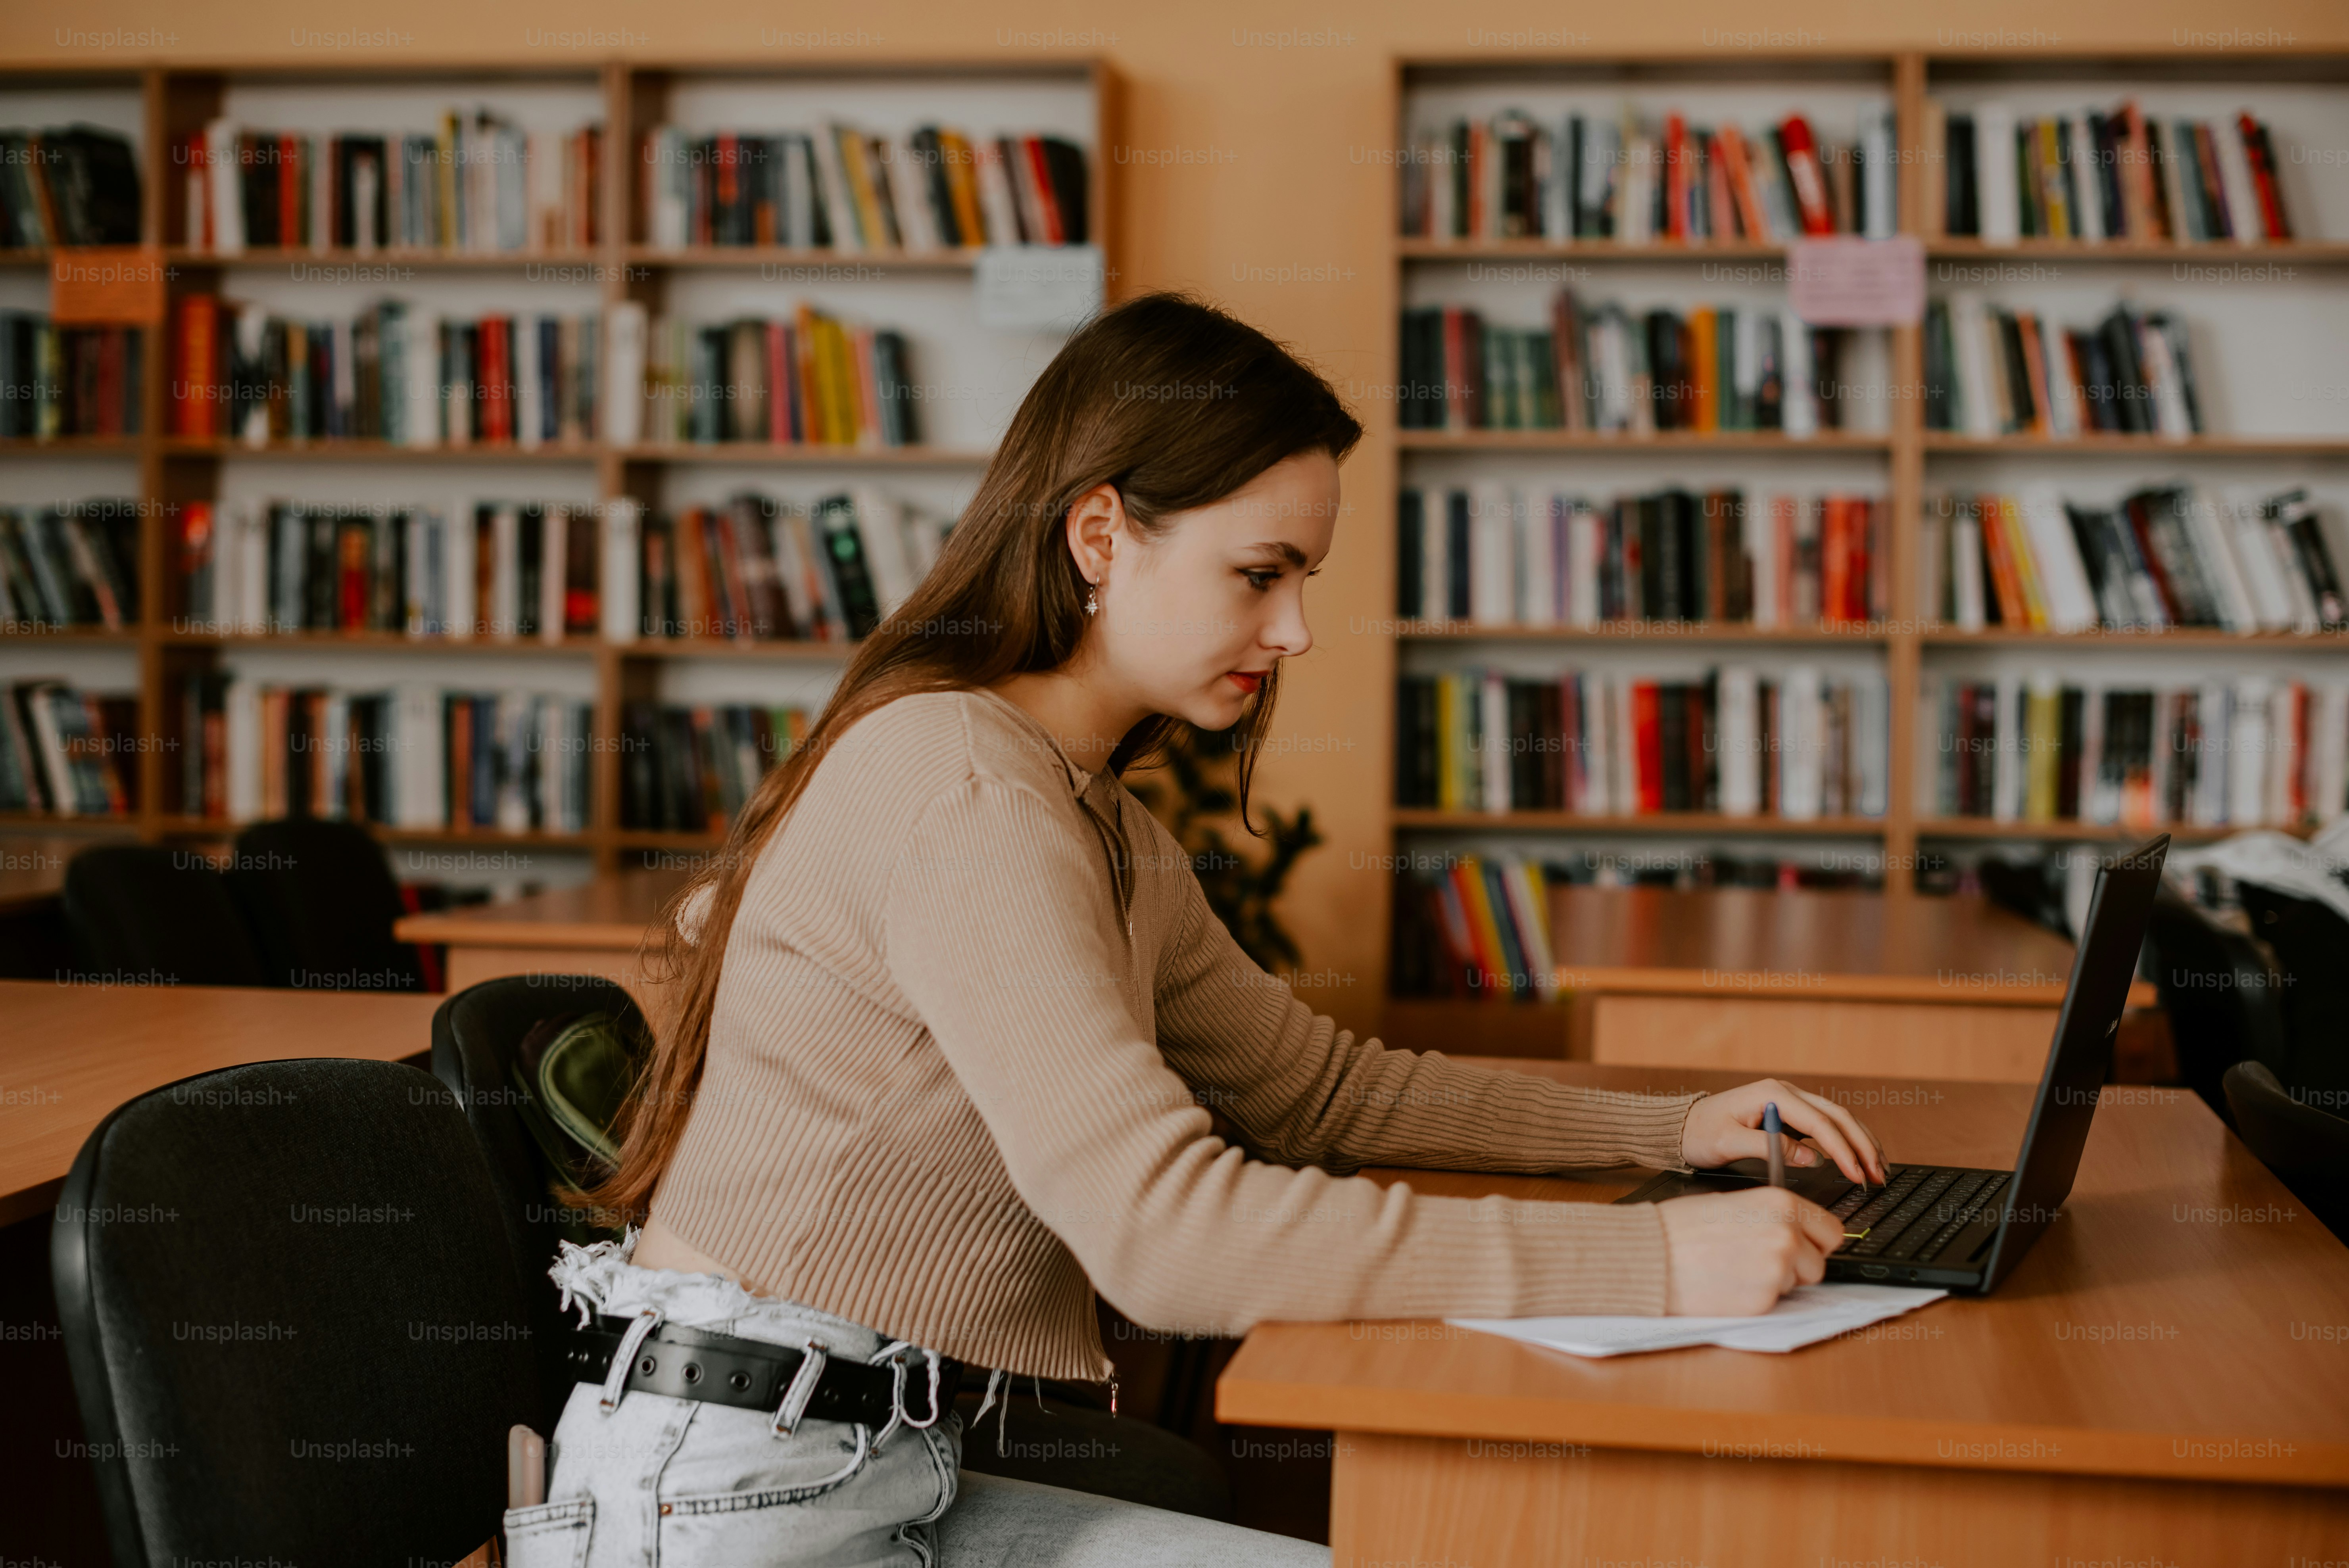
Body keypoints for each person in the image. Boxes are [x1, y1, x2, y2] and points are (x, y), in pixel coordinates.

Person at [501, 293, 1887, 1568]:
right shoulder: (964, 785)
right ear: (1101, 535)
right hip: (722, 1498)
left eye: (1304, 581)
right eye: (1258, 573)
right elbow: (1162, 1234)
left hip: (870, 1462)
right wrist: (1648, 1263)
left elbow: (1318, 1092)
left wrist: (1668, 1128)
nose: (1291, 630)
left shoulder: (1095, 824)